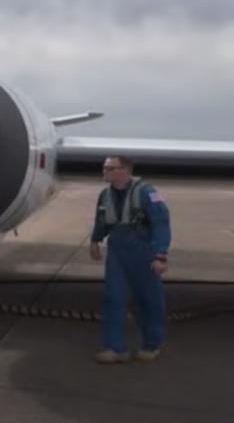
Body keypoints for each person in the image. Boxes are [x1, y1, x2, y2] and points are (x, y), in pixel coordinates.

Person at [89, 155, 171, 364]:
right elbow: (101, 220)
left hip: (143, 252)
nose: (104, 171)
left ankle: (152, 344)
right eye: (104, 167)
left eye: (109, 168)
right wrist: (95, 240)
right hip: (117, 251)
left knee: (149, 300)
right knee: (113, 298)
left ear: (124, 170)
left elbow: (161, 223)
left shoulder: (148, 193)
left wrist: (160, 254)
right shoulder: (105, 195)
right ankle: (115, 347)